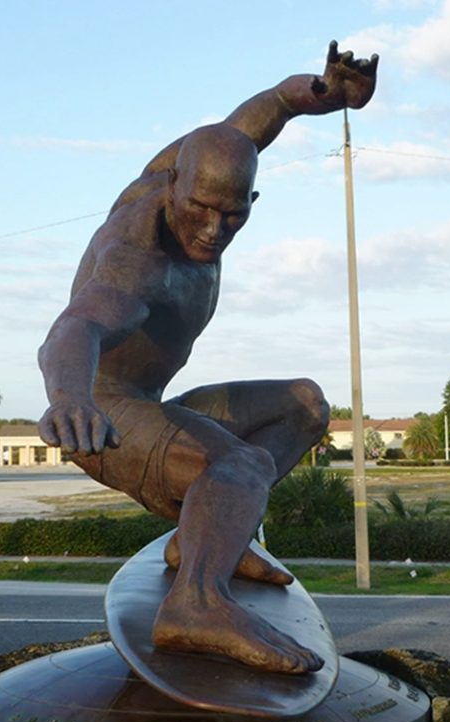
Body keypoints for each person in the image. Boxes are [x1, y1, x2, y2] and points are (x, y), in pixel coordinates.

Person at [38, 41, 378, 674]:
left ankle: (208, 539)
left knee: (304, 405)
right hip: (105, 417)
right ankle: (195, 602)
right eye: (200, 209)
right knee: (242, 462)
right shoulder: (138, 259)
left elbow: (269, 108)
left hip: (149, 406)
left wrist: (324, 95)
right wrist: (70, 397)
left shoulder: (201, 166)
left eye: (233, 214)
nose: (213, 231)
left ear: (252, 201)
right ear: (171, 183)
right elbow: (77, 326)